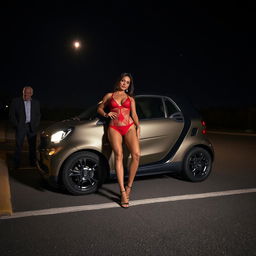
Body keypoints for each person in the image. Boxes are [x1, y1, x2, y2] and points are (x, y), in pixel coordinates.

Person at [97, 73, 140, 208]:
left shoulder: (130, 99)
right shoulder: (109, 96)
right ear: (119, 82)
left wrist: (138, 127)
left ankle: (129, 188)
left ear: (129, 86)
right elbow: (99, 108)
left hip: (129, 127)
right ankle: (122, 191)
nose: (124, 84)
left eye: (127, 82)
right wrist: (106, 114)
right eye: (123, 81)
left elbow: (134, 114)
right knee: (119, 155)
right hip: (114, 127)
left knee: (137, 155)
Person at [9, 86, 41, 168]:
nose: (27, 94)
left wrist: (36, 125)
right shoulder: (16, 101)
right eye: (25, 92)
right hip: (21, 127)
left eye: (29, 93)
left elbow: (38, 115)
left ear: (32, 94)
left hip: (31, 127)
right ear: (23, 92)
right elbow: (12, 115)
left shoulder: (36, 102)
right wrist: (17, 125)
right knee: (18, 146)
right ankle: (16, 164)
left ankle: (32, 163)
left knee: (32, 147)